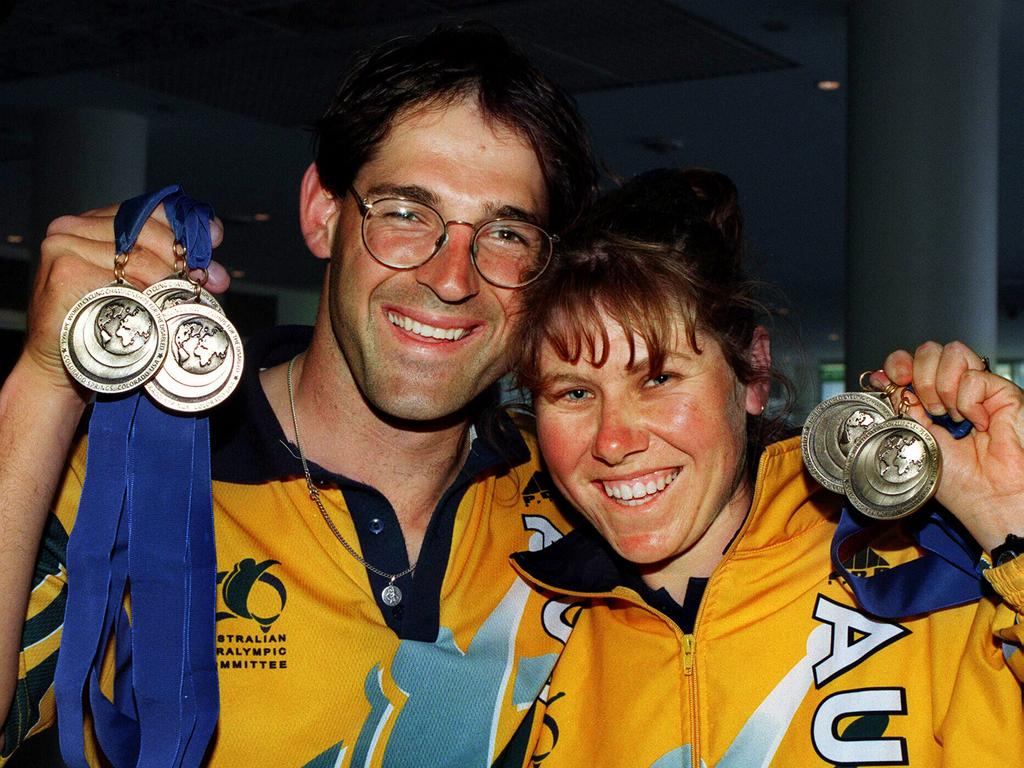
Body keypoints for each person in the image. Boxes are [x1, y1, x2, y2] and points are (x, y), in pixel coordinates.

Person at [0, 23, 597, 767]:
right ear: (323, 214)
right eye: (406, 214)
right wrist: (42, 386)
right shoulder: (122, 475)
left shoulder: (588, 495)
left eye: (506, 233)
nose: (452, 278)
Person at [509, 168, 1024, 766]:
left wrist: (1008, 515)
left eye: (658, 379)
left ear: (753, 372)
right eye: (573, 393)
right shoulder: (518, 627)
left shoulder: (933, 588)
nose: (614, 442)